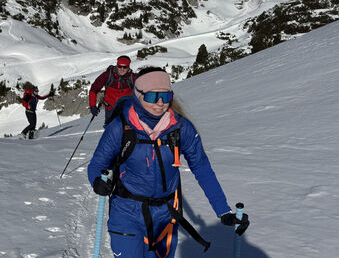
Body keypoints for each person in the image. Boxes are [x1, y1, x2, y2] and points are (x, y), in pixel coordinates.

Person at [87, 67, 249, 257]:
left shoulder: (180, 127)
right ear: (138, 95)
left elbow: (201, 168)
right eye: (153, 96)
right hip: (126, 213)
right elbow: (97, 164)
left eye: (166, 96)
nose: (160, 103)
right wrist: (97, 181)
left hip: (166, 215)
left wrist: (223, 211)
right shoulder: (120, 127)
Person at [89, 55, 136, 123]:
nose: (122, 69)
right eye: (120, 66)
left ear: (128, 67)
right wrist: (93, 106)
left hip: (126, 109)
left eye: (125, 67)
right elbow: (94, 89)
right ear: (117, 65)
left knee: (126, 128)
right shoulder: (108, 75)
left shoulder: (133, 77)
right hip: (110, 108)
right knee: (110, 127)